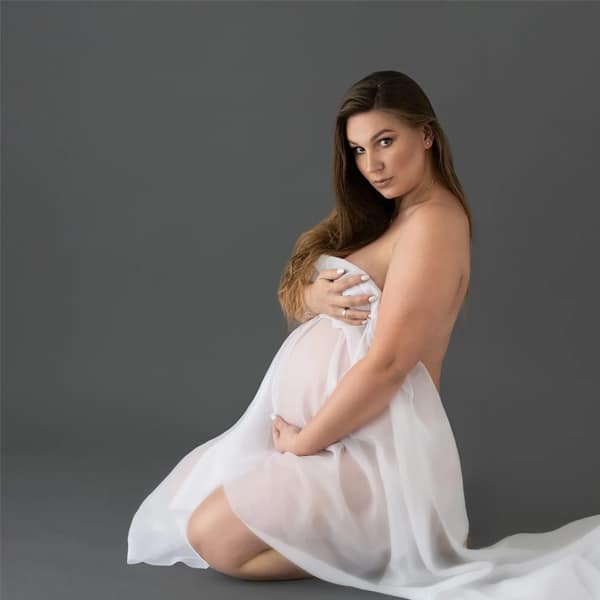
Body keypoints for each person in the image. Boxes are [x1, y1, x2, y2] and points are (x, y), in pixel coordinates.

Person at [127, 71, 600, 599]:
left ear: (427, 134)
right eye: (357, 149)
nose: (371, 165)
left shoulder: (435, 223)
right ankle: (379, 537)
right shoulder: (390, 215)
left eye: (385, 141)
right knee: (195, 506)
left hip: (374, 449)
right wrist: (311, 297)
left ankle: (391, 540)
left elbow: (390, 362)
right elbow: (309, 289)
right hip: (343, 437)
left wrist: (305, 443)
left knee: (211, 538)